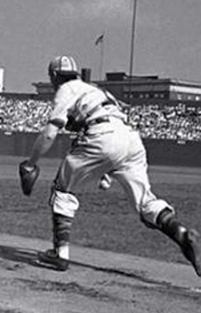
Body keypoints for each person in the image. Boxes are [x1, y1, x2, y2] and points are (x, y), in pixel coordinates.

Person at [23, 55, 200, 275]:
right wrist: (104, 170)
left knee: (62, 190)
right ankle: (182, 233)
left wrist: (31, 164)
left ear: (54, 76)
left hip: (102, 136)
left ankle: (60, 254)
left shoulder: (66, 90)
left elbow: (50, 134)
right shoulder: (95, 90)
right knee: (146, 202)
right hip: (129, 138)